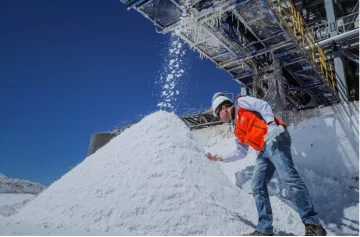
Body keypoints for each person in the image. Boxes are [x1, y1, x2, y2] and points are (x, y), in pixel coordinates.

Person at [205, 92, 326, 236]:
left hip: (275, 138)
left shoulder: (242, 103)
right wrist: (220, 158)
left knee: (289, 177)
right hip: (263, 150)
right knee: (257, 185)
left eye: (218, 115)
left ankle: (313, 224)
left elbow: (263, 105)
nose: (219, 119)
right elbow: (241, 152)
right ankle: (265, 229)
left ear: (224, 108)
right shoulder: (237, 129)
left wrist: (272, 125)